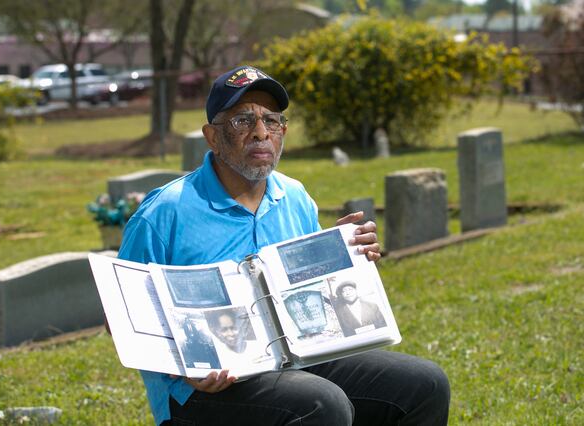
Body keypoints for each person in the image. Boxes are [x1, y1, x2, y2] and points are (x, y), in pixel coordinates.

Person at [118, 65, 450, 425]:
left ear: (283, 132)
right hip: (201, 391)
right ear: (212, 136)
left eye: (271, 121)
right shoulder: (165, 212)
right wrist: (185, 369)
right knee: (321, 404)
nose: (261, 133)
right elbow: (122, 317)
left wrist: (342, 255)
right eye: (242, 121)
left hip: (298, 357)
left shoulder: (295, 196)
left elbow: (312, 296)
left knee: (424, 383)